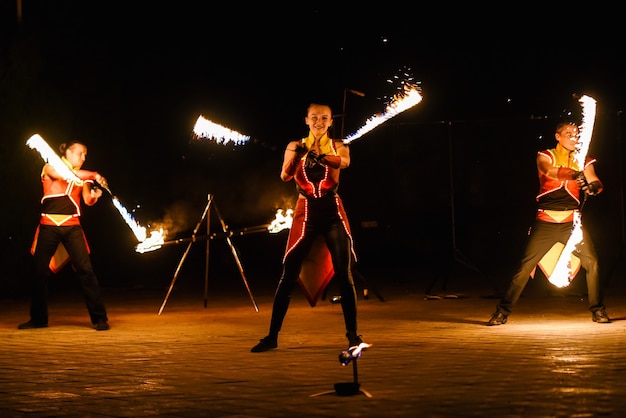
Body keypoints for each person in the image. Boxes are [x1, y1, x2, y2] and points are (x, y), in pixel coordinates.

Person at [251, 103, 362, 352]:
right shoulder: (294, 145)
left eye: (324, 118)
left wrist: (323, 157)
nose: (319, 122)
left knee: (345, 275)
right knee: (288, 274)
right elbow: (285, 176)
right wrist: (299, 155)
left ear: (331, 121)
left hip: (332, 212)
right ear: (306, 120)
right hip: (307, 212)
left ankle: (353, 335)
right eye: (314, 118)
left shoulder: (339, 145)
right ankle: (272, 336)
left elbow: (344, 163)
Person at [488, 120, 609, 325]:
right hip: (546, 221)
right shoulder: (546, 155)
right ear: (557, 136)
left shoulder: (583, 160)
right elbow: (549, 171)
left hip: (572, 223)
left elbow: (595, 180)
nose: (574, 136)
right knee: (524, 267)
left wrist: (592, 188)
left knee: (593, 263)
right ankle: (502, 312)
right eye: (568, 133)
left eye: (576, 133)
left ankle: (598, 310)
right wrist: (573, 174)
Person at [19, 140, 111, 331]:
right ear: (68, 153)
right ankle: (38, 319)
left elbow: (87, 200)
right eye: (80, 153)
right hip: (49, 225)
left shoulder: (82, 177)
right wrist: (94, 175)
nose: (84, 157)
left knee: (86, 270)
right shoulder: (50, 166)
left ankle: (100, 318)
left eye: (85, 154)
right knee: (39, 272)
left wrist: (94, 196)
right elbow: (65, 175)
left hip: (72, 226)